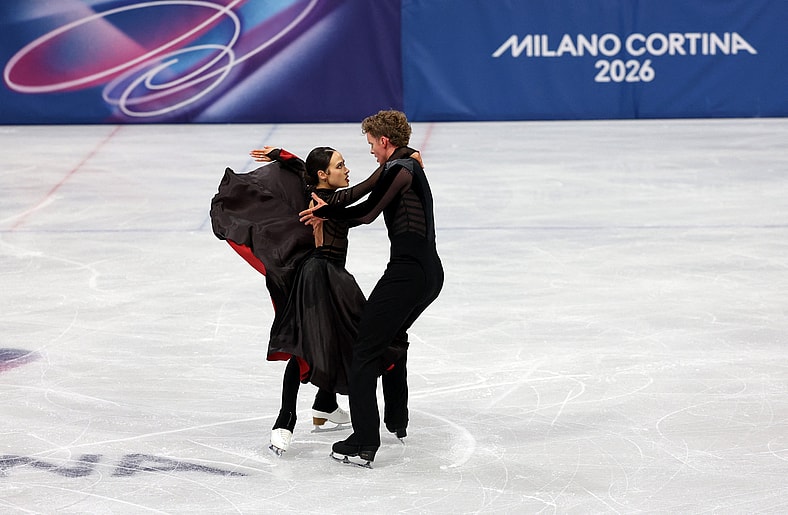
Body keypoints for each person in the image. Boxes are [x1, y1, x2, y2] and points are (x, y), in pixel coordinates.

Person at [299, 110, 444, 467]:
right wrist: (329, 206)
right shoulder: (402, 163)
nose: (370, 152)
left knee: (363, 353)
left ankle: (364, 441)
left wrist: (326, 216)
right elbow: (362, 190)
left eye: (370, 145)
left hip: (408, 274)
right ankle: (396, 416)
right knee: (391, 339)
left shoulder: (401, 169)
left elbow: (366, 212)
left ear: (384, 141)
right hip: (427, 272)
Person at [211, 146, 364, 455]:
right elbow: (365, 198)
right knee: (304, 346)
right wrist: (398, 170)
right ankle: (285, 420)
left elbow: (301, 170)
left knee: (332, 339)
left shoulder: (312, 187)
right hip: (318, 279)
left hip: (326, 275)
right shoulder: (328, 201)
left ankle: (325, 405)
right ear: (323, 175)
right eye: (340, 165)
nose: (346, 169)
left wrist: (283, 155)